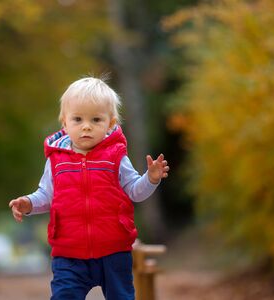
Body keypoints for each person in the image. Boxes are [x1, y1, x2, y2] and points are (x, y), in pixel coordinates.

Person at [9, 76, 169, 300]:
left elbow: (135, 190)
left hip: (114, 250)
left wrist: (151, 178)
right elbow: (46, 195)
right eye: (77, 119)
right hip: (69, 253)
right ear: (64, 122)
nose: (86, 126)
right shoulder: (56, 160)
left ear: (110, 123)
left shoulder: (116, 156)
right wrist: (27, 203)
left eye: (96, 119)